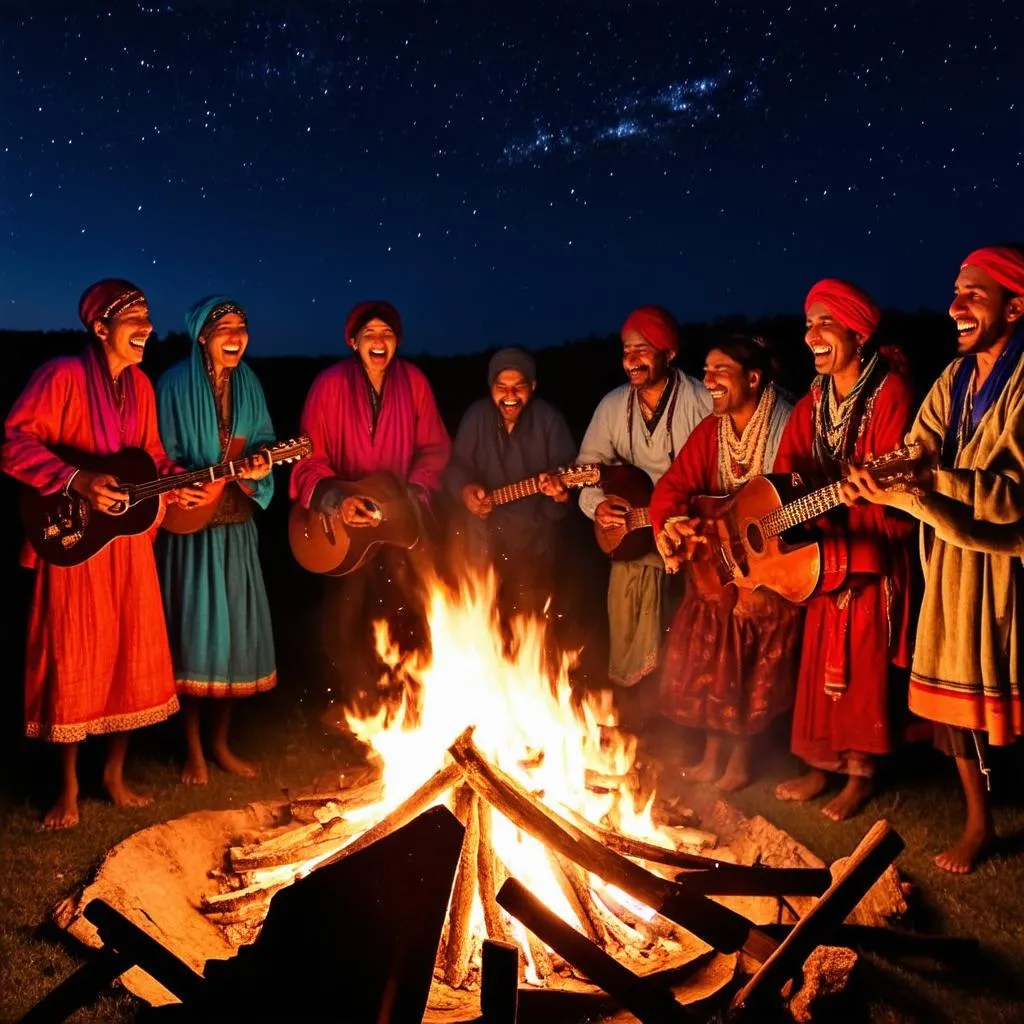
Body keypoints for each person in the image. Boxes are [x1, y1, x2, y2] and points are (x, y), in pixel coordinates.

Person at [842, 245, 1024, 872]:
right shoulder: (955, 378)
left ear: (1016, 304)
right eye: (954, 292)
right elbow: (917, 447)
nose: (955, 306)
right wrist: (882, 477)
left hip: (1009, 566)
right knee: (957, 711)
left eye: (974, 293)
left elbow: (1011, 498)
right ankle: (980, 823)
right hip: (951, 563)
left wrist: (932, 480)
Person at [0, 279, 204, 828]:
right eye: (135, 318)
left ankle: (114, 773)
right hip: (72, 541)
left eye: (148, 317)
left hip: (126, 542)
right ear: (100, 327)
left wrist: (172, 484)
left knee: (130, 652)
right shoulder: (61, 376)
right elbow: (14, 442)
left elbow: (152, 459)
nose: (148, 328)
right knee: (74, 655)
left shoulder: (140, 387)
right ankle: (66, 784)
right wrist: (76, 479)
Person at [773, 279, 917, 821]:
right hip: (824, 550)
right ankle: (819, 766)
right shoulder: (812, 401)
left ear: (857, 333)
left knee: (861, 663)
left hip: (871, 549)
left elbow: (902, 485)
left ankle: (860, 775)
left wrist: (864, 496)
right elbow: (786, 470)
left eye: (824, 324)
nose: (811, 335)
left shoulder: (892, 394)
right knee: (818, 663)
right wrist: (785, 506)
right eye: (808, 324)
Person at [650, 335, 801, 791]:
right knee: (714, 640)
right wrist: (672, 523)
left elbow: (792, 493)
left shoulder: (788, 420)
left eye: (721, 371)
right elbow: (672, 487)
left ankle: (740, 758)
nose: (708, 380)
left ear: (753, 379)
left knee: (749, 644)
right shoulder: (711, 432)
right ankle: (713, 752)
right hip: (724, 564)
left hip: (771, 564)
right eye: (706, 370)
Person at [289, 300, 451, 714]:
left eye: (387, 334)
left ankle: (406, 701)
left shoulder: (414, 382)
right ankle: (353, 705)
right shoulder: (328, 385)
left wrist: (414, 492)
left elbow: (434, 449)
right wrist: (338, 500)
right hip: (344, 524)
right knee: (346, 615)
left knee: (408, 605)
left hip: (395, 521)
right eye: (370, 334)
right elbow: (310, 456)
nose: (379, 341)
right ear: (354, 341)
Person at [155, 296, 277, 785]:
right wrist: (185, 481)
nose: (235, 335)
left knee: (236, 639)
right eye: (223, 326)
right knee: (194, 636)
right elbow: (157, 452)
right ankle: (192, 752)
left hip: (235, 525)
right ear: (201, 335)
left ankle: (221, 745)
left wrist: (263, 461)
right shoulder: (172, 385)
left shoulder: (251, 384)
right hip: (190, 531)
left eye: (241, 326)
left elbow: (266, 437)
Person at [571, 305, 712, 728]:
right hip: (633, 542)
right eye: (626, 350)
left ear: (669, 353)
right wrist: (598, 506)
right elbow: (586, 471)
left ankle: (686, 729)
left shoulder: (701, 401)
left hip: (690, 536)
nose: (632, 359)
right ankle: (638, 729)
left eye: (643, 349)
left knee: (690, 639)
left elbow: (723, 470)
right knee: (632, 632)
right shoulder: (613, 406)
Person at [444, 346, 577, 619]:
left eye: (519, 387)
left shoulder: (550, 421)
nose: (510, 396)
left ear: (533, 386)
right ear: (491, 387)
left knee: (528, 623)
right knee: (480, 621)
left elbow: (568, 493)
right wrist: (465, 491)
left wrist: (559, 496)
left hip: (533, 545)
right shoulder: (476, 416)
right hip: (481, 541)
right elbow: (455, 468)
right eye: (501, 386)